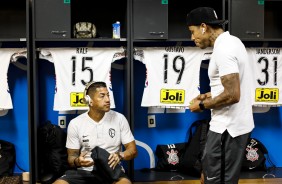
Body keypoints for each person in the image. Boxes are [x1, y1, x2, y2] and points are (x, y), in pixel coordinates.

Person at [187, 7, 255, 184]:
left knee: (217, 181)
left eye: (192, 32)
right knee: (209, 178)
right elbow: (230, 85)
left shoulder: (224, 49)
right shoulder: (233, 42)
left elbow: (232, 94)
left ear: (204, 26)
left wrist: (201, 106)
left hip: (227, 129)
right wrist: (207, 95)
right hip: (227, 127)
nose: (192, 38)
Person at [53, 81, 138, 184]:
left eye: (108, 95)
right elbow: (71, 158)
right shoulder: (75, 123)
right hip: (85, 172)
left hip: (111, 171)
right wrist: (78, 161)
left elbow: (133, 150)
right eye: (102, 96)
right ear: (89, 100)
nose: (107, 99)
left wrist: (120, 155)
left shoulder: (119, 118)